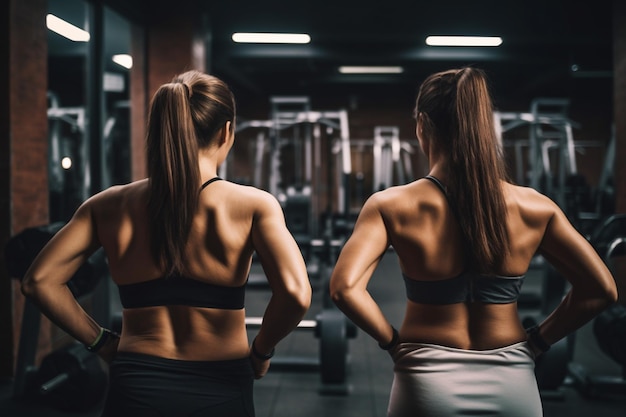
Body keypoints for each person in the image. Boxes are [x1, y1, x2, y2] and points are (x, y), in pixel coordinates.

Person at [329, 67, 618, 417]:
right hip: (512, 380)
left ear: (422, 124)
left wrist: (391, 342)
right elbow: (601, 290)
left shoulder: (391, 205)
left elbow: (344, 288)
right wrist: (539, 341)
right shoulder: (534, 207)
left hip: (425, 377)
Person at [21, 70, 312, 417]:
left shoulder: (108, 205)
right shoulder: (253, 205)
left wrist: (101, 342)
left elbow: (38, 281)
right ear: (226, 131)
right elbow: (296, 294)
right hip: (220, 385)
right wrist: (262, 350)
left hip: (135, 384)